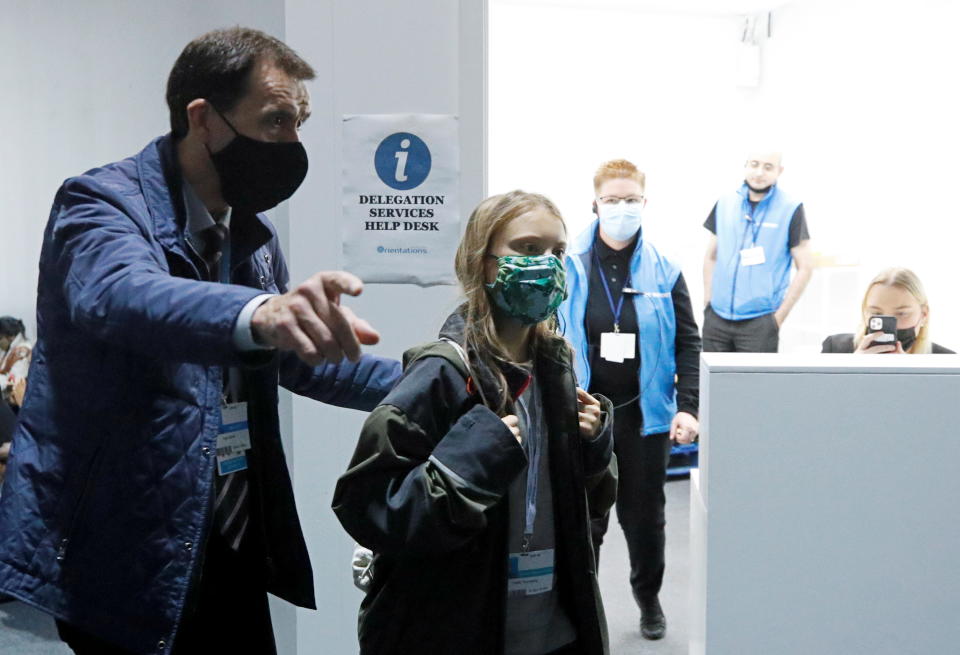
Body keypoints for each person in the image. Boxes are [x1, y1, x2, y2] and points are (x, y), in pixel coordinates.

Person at [0, 27, 402, 655]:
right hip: (126, 543)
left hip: (226, 528)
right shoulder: (101, 204)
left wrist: (441, 380)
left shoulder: (251, 235)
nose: (293, 143)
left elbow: (301, 361)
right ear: (203, 119)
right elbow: (123, 297)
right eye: (276, 120)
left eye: (300, 122)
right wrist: (260, 311)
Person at [332, 191, 617, 655]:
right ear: (483, 263)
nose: (546, 263)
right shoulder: (442, 372)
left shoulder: (557, 367)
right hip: (462, 630)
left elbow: (590, 506)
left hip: (554, 630)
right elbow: (367, 506)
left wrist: (594, 448)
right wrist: (467, 463)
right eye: (527, 249)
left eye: (557, 251)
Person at [557, 159, 701, 641]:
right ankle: (585, 604)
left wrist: (689, 405)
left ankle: (649, 599)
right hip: (584, 414)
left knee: (645, 521)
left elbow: (688, 341)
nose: (622, 208)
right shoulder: (567, 263)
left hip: (645, 416)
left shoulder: (666, 269)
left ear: (645, 202)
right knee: (585, 519)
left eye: (631, 199)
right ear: (594, 203)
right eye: (613, 200)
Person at [702, 152, 813, 352]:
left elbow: (805, 267)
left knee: (754, 384)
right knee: (713, 383)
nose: (759, 172)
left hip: (760, 321)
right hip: (716, 318)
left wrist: (778, 319)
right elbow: (711, 256)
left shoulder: (791, 208)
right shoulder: (725, 202)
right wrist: (708, 301)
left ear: (780, 171)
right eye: (754, 164)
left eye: (768, 167)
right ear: (746, 165)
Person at [822, 268, 953, 354]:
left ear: (924, 315)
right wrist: (853, 371)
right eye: (876, 314)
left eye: (902, 313)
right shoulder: (836, 349)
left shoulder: (947, 362)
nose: (890, 325)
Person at [0, 316, 32, 409]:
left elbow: (15, 382)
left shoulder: (22, 351)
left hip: (16, 404)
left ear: (9, 336)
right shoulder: (9, 350)